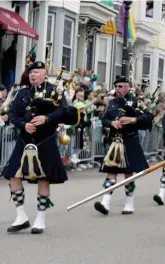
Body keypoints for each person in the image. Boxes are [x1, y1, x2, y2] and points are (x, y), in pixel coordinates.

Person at [1, 61, 79, 234]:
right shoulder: (22, 93)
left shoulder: (55, 91)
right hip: (24, 140)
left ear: (45, 74)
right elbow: (13, 114)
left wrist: (47, 119)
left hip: (46, 139)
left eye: (36, 72)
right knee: (13, 175)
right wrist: (23, 124)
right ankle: (21, 216)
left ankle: (40, 218)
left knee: (44, 178)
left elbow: (64, 110)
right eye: (31, 72)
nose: (32, 75)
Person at [94, 77, 153, 215]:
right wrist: (111, 123)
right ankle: (105, 202)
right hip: (115, 140)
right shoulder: (112, 103)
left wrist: (133, 120)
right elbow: (104, 119)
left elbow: (148, 117)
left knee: (128, 174)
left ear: (127, 87)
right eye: (116, 86)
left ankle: (129, 202)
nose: (118, 89)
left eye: (121, 86)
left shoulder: (135, 102)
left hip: (130, 140)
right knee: (111, 172)